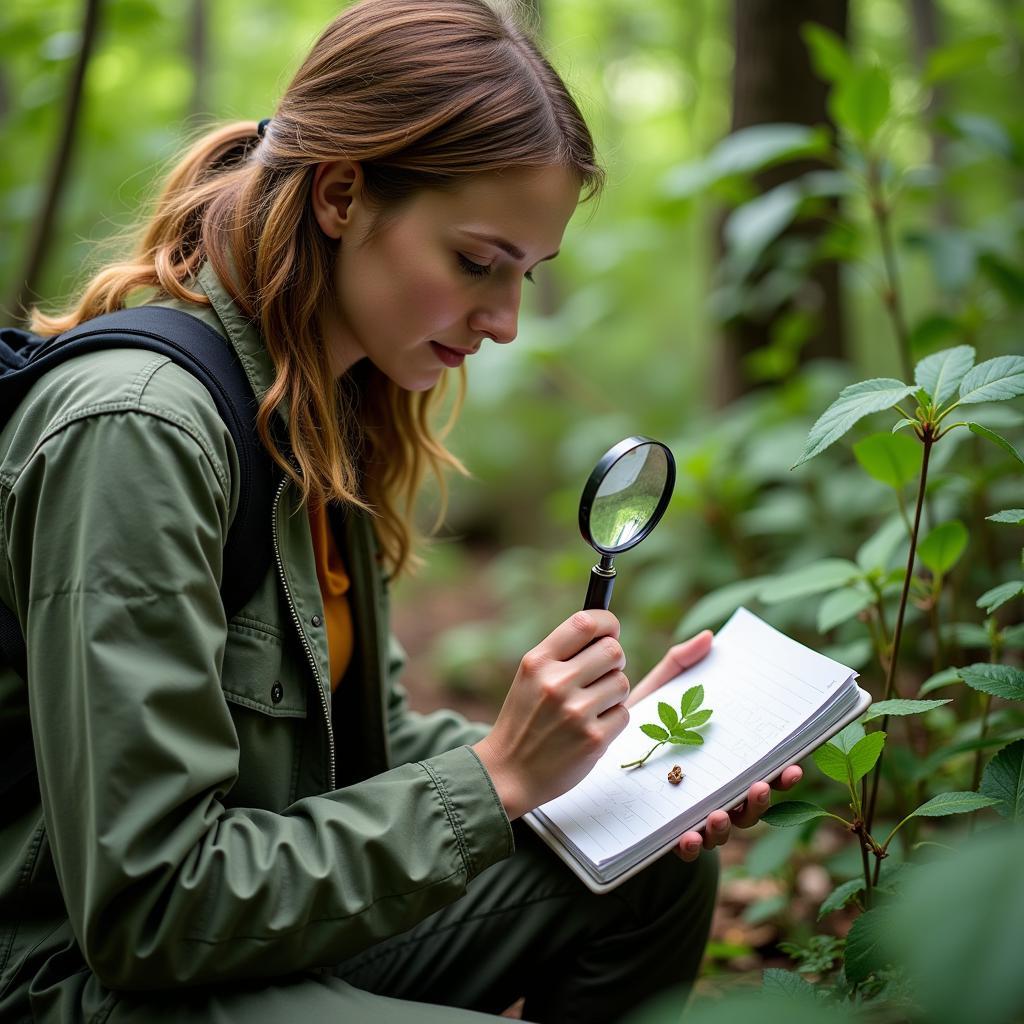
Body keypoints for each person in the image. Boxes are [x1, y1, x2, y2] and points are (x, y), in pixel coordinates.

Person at [0, 1, 802, 1021]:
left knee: (641, 864)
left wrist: (611, 756)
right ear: (342, 194)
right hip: (74, 978)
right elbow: (152, 906)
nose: (504, 322)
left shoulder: (317, 409)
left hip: (224, 944)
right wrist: (497, 775)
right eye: (476, 261)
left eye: (526, 274)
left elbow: (357, 752)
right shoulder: (140, 432)